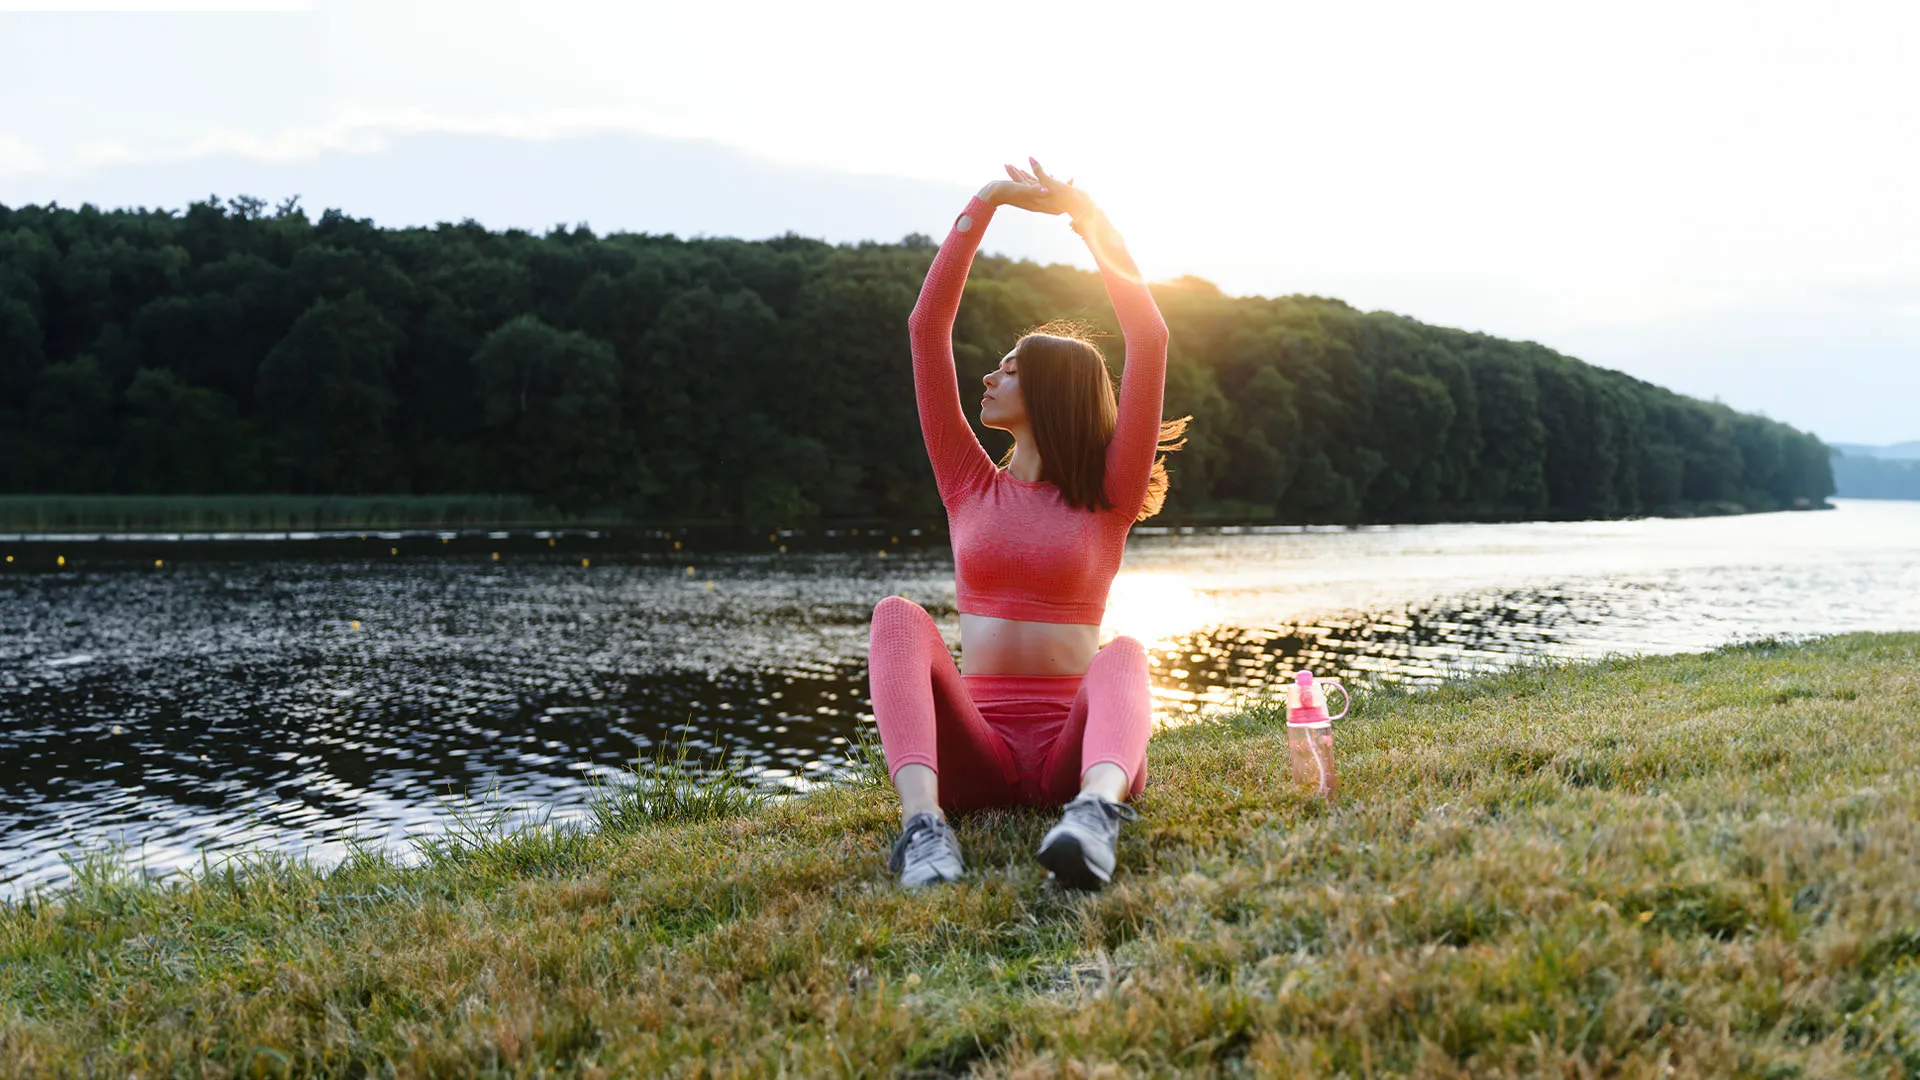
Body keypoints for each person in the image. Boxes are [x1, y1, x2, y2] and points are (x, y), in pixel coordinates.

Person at [869, 157, 1189, 889]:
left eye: (1010, 368)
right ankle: (923, 828)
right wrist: (986, 202)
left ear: (1051, 392)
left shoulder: (1109, 495)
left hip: (1075, 756)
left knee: (1125, 652)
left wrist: (1090, 221)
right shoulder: (967, 482)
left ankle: (1095, 817)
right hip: (975, 757)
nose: (989, 377)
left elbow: (1150, 338)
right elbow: (926, 329)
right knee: (896, 616)